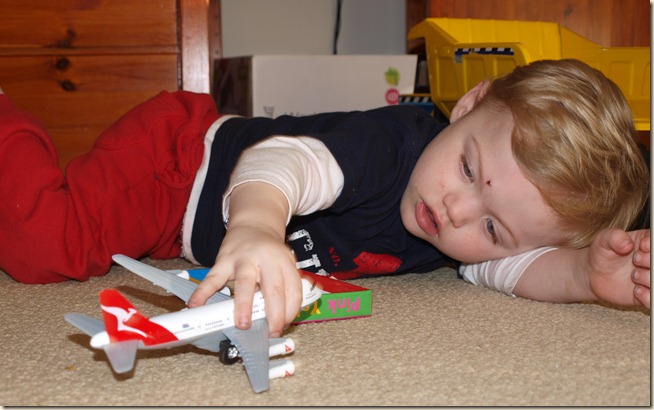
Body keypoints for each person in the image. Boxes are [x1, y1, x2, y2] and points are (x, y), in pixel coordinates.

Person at [0, 59, 649, 338]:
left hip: (187, 238)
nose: (455, 210)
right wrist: (256, 226)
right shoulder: (389, 147)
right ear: (470, 105)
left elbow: (513, 272)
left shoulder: (460, 232)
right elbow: (280, 161)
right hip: (180, 164)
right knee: (49, 243)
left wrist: (588, 278)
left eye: (493, 228)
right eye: (469, 168)